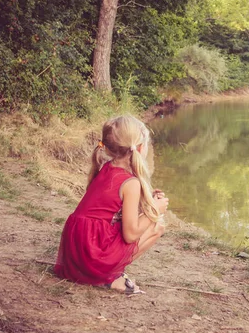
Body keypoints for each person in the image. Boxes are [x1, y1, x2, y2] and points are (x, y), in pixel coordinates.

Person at [54, 115, 168, 294]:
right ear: (139, 148)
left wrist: (147, 199)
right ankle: (110, 277)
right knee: (156, 226)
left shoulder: (106, 167)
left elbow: (111, 209)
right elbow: (130, 235)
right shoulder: (130, 183)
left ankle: (103, 273)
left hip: (77, 249)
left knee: (145, 221)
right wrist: (155, 209)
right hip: (93, 254)